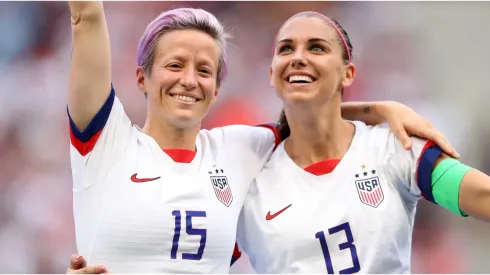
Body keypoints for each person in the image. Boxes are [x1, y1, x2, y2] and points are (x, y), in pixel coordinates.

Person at [67, 1, 457, 273]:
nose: (189, 80)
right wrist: (382, 109)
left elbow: (312, 112)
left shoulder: (240, 149)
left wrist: (379, 109)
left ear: (217, 89)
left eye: (204, 70)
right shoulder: (107, 144)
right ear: (141, 78)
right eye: (174, 65)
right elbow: (86, 16)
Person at [235, 11, 490, 273]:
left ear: (348, 73)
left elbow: (483, 195)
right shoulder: (248, 172)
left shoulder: (395, 148)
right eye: (286, 49)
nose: (298, 57)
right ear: (271, 73)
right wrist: (377, 109)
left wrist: (377, 110)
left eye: (316, 48)